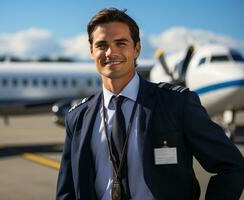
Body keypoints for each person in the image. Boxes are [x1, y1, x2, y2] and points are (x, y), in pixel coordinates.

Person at [56, 8, 244, 200]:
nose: (110, 52)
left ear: (137, 49)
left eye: (121, 43)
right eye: (102, 45)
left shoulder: (177, 104)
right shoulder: (77, 117)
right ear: (91, 51)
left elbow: (232, 166)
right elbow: (67, 192)